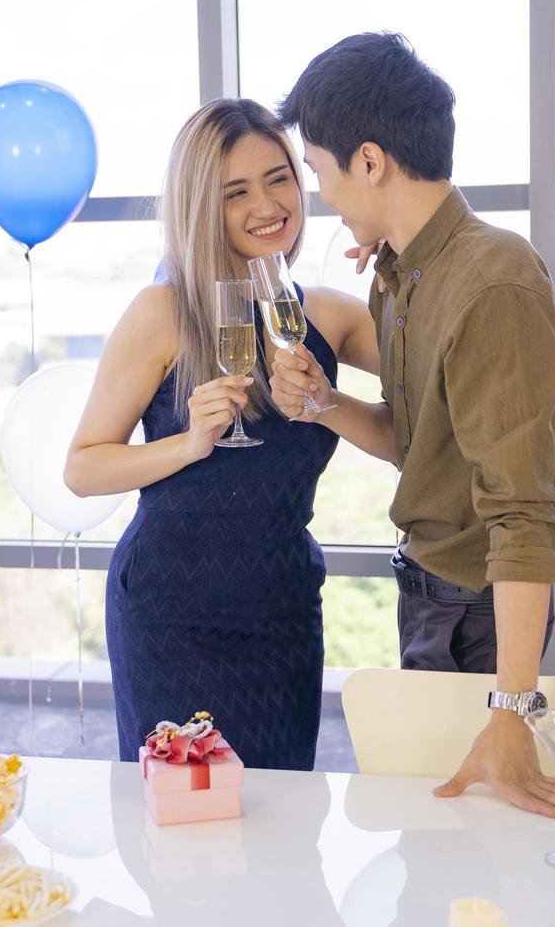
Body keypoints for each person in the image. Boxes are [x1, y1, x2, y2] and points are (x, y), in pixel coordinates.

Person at [270, 33, 555, 816]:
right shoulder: (402, 273)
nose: (323, 198)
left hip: (482, 611)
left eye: (319, 172)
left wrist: (513, 713)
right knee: (441, 847)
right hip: (432, 596)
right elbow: (418, 446)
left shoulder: (493, 283)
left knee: (481, 846)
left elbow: (523, 516)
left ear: (371, 162)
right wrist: (323, 403)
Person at [64, 98, 378, 770]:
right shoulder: (162, 314)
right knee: (179, 823)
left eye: (279, 178)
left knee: (284, 824)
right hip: (169, 617)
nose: (267, 204)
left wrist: (329, 401)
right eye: (236, 192)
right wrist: (186, 444)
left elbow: (436, 388)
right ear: (201, 206)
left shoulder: (328, 316)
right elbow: (83, 468)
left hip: (282, 611)